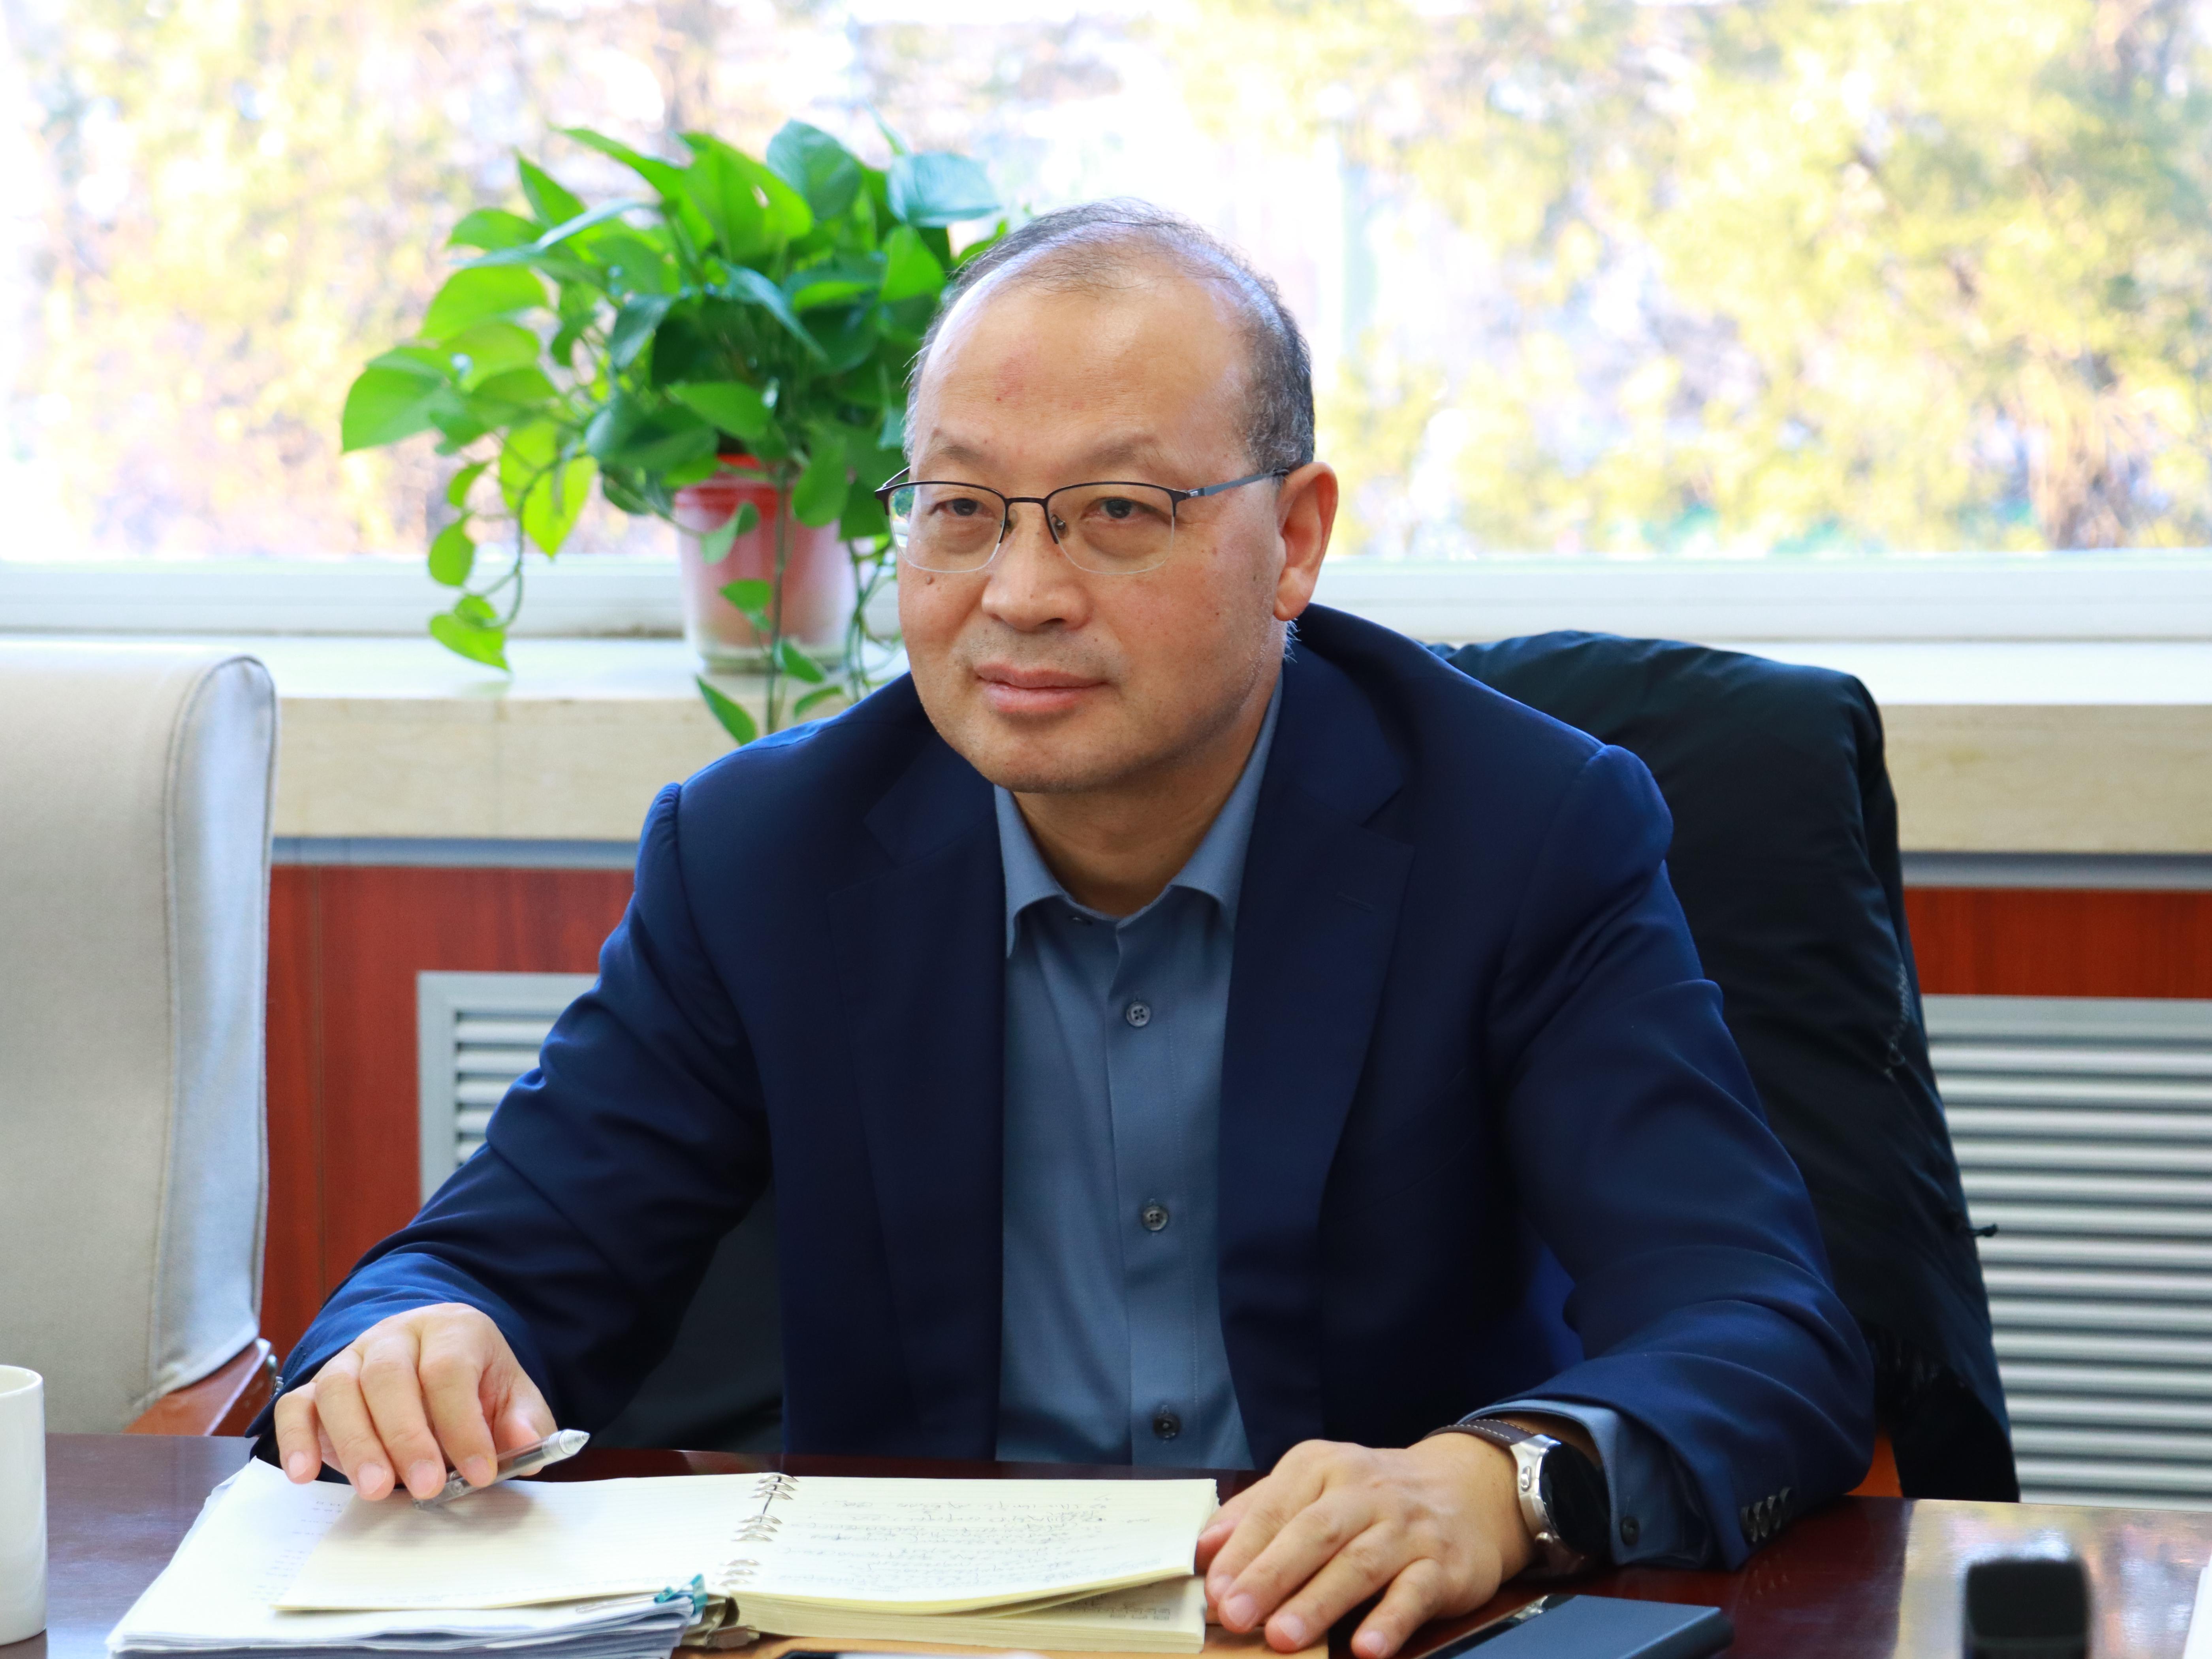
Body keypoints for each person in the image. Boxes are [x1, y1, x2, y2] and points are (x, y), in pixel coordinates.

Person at [266, 201, 1872, 1658]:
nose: (1020, 592)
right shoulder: (765, 856)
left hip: (1348, 1639)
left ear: (1294, 540)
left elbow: (1760, 1328)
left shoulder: (1520, 830)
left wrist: (1492, 1483)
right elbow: (487, 1261)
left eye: (1115, 509)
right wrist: (421, 1341)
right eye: (961, 509)